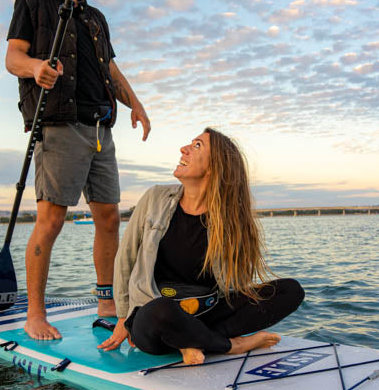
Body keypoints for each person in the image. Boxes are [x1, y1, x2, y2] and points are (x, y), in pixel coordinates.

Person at [6, 0, 151, 340]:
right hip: (59, 125)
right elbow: (13, 57)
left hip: (101, 127)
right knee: (51, 220)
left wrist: (135, 104)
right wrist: (36, 68)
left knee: (108, 217)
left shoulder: (95, 16)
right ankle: (35, 314)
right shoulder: (32, 2)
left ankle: (107, 301)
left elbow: (108, 67)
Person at [97, 128, 304, 365]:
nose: (183, 149)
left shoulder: (230, 220)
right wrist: (123, 317)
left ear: (214, 167)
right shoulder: (155, 197)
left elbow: (233, 284)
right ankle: (230, 345)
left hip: (206, 313)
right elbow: (126, 257)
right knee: (161, 310)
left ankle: (193, 339)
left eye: (197, 146)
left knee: (291, 291)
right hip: (154, 315)